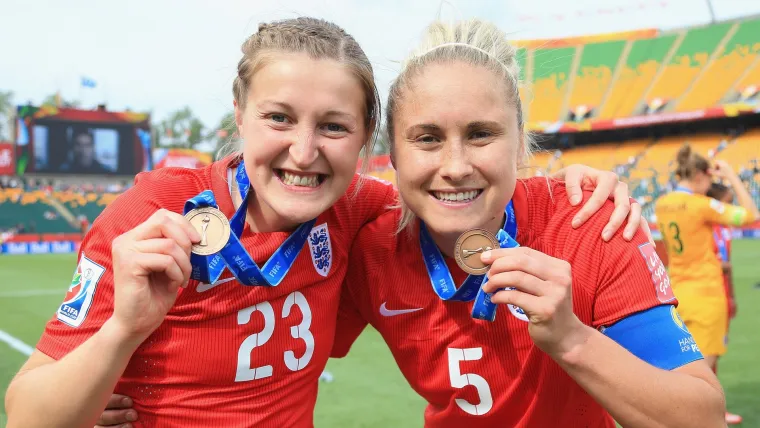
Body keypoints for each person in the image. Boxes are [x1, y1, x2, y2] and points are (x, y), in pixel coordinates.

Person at [5, 17, 639, 428]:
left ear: (366, 140)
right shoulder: (154, 218)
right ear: (240, 114)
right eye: (279, 118)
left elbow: (458, 186)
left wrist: (565, 185)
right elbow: (29, 416)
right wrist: (121, 332)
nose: (304, 152)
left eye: (333, 126)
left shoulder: (359, 212)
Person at [327, 19, 727, 427]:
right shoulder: (371, 249)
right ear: (391, 152)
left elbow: (703, 419)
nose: (456, 166)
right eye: (427, 138)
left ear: (519, 142)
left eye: (481, 134)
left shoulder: (592, 225)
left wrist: (573, 340)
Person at [656, 147, 759, 426]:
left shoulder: (662, 203)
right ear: (702, 175)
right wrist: (732, 177)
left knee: (680, 363)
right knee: (704, 371)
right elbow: (749, 214)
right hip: (706, 293)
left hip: (676, 291)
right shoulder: (700, 205)